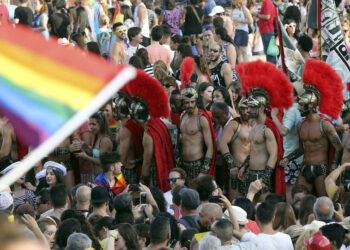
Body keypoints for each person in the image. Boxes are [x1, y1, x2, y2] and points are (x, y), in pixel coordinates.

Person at [280, 60, 344, 197]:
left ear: (311, 106)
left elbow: (338, 147)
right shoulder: (300, 124)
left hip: (321, 169)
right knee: (297, 198)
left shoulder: (325, 124)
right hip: (305, 168)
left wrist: (332, 170)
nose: (298, 107)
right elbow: (301, 149)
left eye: (302, 105)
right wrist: (288, 158)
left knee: (323, 200)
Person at [236, 60, 293, 198]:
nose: (248, 110)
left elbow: (273, 155)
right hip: (251, 174)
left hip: (262, 176)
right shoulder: (254, 125)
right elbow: (254, 150)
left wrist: (264, 179)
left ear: (261, 108)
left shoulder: (267, 129)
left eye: (251, 107)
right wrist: (244, 166)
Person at [128, 70, 175, 191]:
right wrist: (138, 160)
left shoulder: (148, 134)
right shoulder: (158, 122)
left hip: (157, 174)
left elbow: (148, 162)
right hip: (167, 169)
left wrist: (142, 183)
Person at [271, 86, 303, 204]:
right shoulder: (300, 109)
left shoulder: (291, 109)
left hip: (292, 157)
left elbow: (284, 131)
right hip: (300, 156)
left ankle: (291, 216)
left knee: (290, 190)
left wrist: (273, 116)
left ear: (295, 97)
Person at [178, 87, 216, 187]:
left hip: (197, 166)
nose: (189, 105)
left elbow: (210, 146)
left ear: (196, 101)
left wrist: (204, 171)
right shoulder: (182, 116)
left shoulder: (201, 119)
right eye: (186, 102)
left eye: (192, 102)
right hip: (183, 164)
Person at [219, 99, 251, 200]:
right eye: (242, 109)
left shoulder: (256, 125)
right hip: (236, 170)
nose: (245, 112)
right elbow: (222, 144)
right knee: (236, 204)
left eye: (248, 109)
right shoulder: (234, 125)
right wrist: (232, 165)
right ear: (239, 109)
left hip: (251, 171)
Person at [114, 91, 144, 185]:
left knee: (125, 198)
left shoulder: (126, 129)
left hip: (126, 171)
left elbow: (122, 157)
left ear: (120, 110)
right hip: (126, 169)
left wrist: (116, 176)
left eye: (116, 109)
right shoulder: (126, 125)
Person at [75, 112, 113, 178]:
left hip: (104, 177)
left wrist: (86, 157)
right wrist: (85, 146)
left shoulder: (105, 140)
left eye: (94, 124)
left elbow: (101, 161)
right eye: (90, 124)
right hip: (98, 176)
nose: (91, 127)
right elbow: (96, 154)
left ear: (101, 124)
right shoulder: (97, 138)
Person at [253, 0, 276, 64]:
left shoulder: (267, 2)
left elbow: (267, 16)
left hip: (267, 30)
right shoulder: (267, 2)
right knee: (270, 53)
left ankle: (271, 70)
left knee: (269, 53)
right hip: (266, 30)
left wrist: (257, 14)